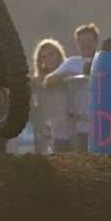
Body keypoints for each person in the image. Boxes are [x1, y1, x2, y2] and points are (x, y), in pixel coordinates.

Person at [43, 23, 100, 152]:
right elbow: (48, 81)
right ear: (77, 43)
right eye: (82, 41)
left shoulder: (104, 61)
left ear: (96, 42)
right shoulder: (72, 63)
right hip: (78, 126)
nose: (86, 44)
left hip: (101, 123)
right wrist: (70, 76)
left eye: (89, 41)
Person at [31, 39, 67, 153]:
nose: (48, 59)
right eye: (44, 57)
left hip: (69, 131)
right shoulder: (36, 82)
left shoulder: (68, 76)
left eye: (51, 54)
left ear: (59, 55)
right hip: (47, 132)